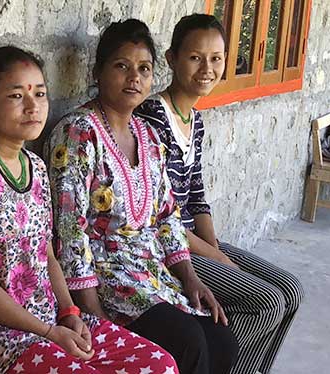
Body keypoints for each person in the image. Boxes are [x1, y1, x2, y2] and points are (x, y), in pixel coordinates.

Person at [0, 46, 178, 374]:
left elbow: (45, 253)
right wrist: (48, 332)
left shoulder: (34, 166)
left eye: (40, 94)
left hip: (49, 322)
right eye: (16, 96)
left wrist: (69, 314)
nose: (33, 107)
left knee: (159, 364)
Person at [46, 19, 238, 374]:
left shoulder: (148, 135)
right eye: (122, 66)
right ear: (99, 72)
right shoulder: (76, 134)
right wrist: (93, 313)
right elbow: (69, 232)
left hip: (152, 274)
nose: (134, 77)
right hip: (107, 282)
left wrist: (191, 277)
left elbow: (167, 216)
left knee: (222, 338)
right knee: (188, 342)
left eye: (144, 68)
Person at [135, 14, 304, 374]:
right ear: (171, 58)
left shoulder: (194, 120)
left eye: (216, 58)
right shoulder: (152, 117)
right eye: (195, 57)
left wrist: (217, 248)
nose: (207, 69)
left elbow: (196, 194)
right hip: (166, 245)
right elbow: (155, 213)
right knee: (266, 302)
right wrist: (214, 256)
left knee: (291, 290)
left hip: (195, 241)